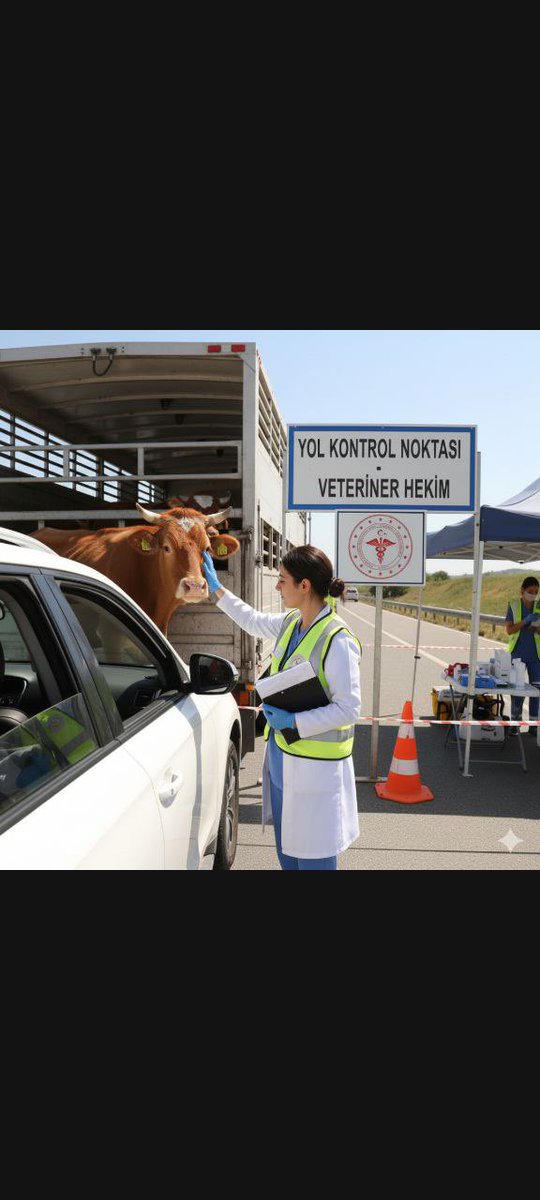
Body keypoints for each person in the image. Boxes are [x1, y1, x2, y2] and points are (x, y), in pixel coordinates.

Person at [202, 545, 362, 871]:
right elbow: (252, 620)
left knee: (314, 858)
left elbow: (349, 709)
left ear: (304, 585)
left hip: (316, 769)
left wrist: (294, 721)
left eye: (282, 580)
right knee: (288, 855)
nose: (277, 586)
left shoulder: (338, 639)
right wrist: (216, 590)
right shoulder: (291, 622)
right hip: (281, 758)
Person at [505, 577, 540, 735]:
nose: (533, 595)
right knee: (517, 690)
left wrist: (536, 626)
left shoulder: (539, 606)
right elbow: (510, 630)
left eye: (536, 592)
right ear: (522, 590)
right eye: (530, 591)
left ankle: (534, 724)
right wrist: (525, 621)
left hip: (536, 656)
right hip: (517, 654)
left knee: (536, 691)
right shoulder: (513, 605)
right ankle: (515, 723)